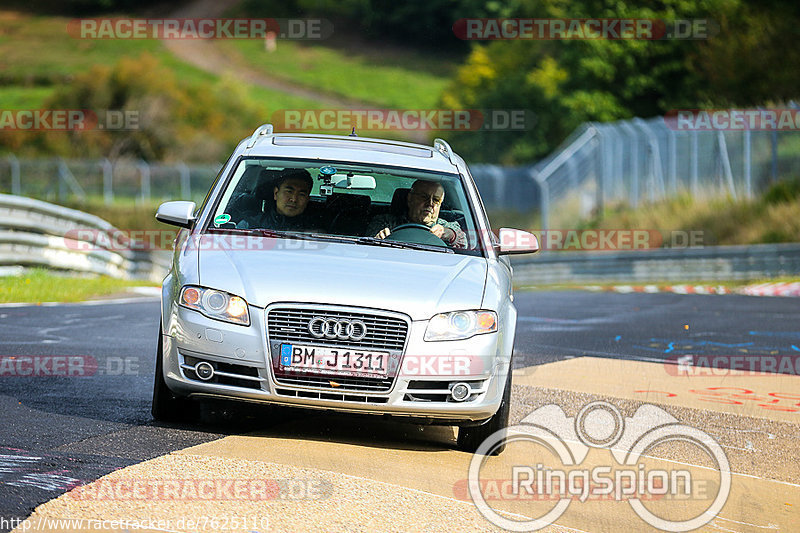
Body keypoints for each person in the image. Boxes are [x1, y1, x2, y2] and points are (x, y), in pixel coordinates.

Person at [366, 179, 467, 248]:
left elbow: (466, 243)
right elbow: (368, 243)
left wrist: (450, 234)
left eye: (436, 200)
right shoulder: (386, 222)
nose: (430, 204)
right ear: (410, 198)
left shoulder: (445, 225)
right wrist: (377, 239)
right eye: (424, 197)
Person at [236, 169, 314, 231]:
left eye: (301, 194)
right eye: (289, 192)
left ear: (308, 199)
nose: (294, 199)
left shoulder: (318, 232)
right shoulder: (249, 225)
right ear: (276, 193)